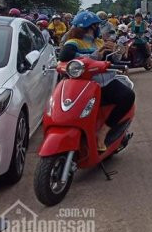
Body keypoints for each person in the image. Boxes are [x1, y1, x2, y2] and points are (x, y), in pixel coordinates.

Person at [58, 11, 135, 152]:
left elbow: (112, 60)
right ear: (92, 27)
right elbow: (65, 57)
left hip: (104, 84)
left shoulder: (99, 41)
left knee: (128, 96)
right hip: (82, 85)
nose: (99, 28)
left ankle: (103, 132)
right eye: (97, 25)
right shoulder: (73, 43)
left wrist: (117, 51)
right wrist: (97, 54)